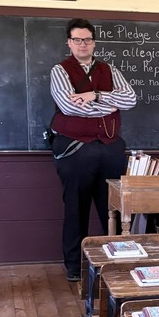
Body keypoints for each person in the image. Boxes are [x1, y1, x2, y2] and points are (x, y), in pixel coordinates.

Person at [49, 18, 137, 280]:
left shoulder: (110, 70)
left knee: (113, 209)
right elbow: (69, 107)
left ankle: (117, 263)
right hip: (75, 150)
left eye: (87, 39)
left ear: (94, 42)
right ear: (69, 42)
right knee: (76, 209)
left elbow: (130, 99)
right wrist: (110, 104)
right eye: (77, 39)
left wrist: (95, 95)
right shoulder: (60, 70)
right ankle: (74, 267)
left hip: (110, 149)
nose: (82, 44)